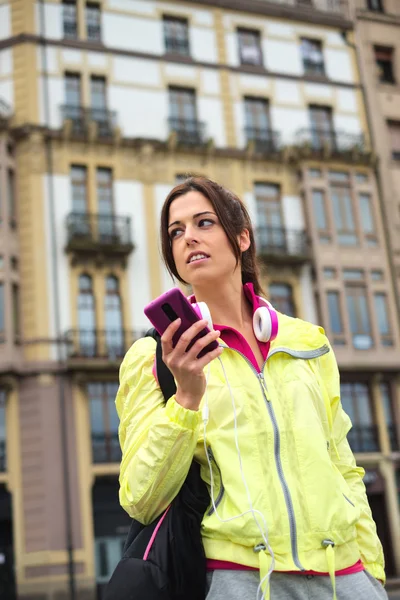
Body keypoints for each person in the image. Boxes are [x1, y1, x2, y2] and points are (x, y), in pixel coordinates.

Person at [116, 177, 387, 600]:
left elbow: (343, 465)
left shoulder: (307, 341)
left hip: (345, 576)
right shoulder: (153, 357)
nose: (188, 237)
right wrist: (186, 397)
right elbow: (140, 497)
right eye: (176, 231)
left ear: (242, 237)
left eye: (204, 222)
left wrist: (371, 572)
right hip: (239, 579)